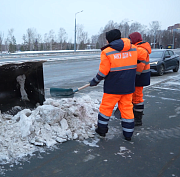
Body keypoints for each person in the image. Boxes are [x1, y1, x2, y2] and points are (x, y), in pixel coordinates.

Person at [89, 29, 137, 141]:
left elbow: (103, 72)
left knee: (106, 109)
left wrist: (95, 81)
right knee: (127, 109)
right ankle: (128, 135)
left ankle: (101, 131)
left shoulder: (107, 52)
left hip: (113, 87)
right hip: (128, 86)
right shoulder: (133, 49)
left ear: (109, 39)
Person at [128, 32, 151, 126]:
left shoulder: (140, 50)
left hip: (139, 77)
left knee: (137, 97)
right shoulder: (138, 48)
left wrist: (134, 78)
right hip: (139, 76)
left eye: (130, 39)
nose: (129, 40)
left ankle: (138, 118)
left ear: (135, 39)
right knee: (134, 96)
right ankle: (134, 115)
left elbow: (139, 66)